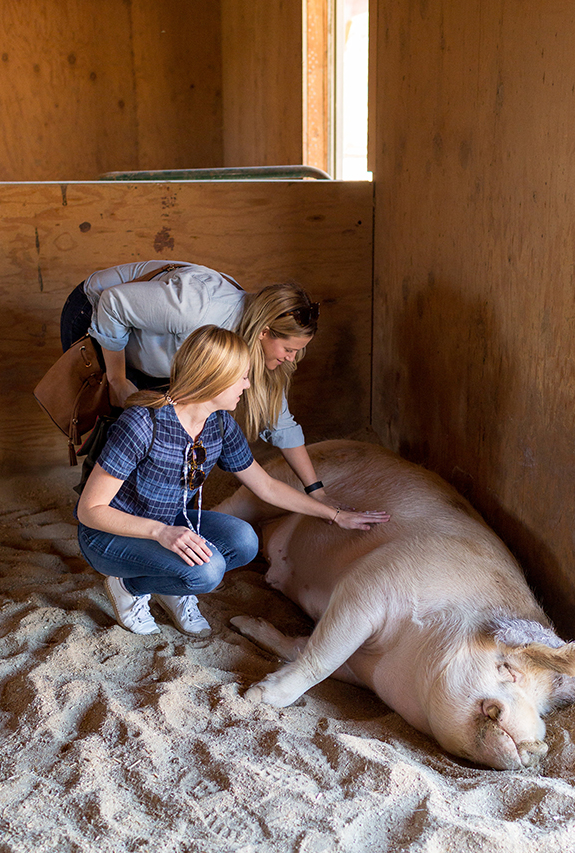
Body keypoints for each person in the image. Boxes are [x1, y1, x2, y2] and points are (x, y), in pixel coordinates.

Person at [76, 325, 389, 636]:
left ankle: (170, 583)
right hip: (109, 535)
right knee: (206, 572)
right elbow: (89, 510)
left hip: (171, 524)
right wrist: (161, 532)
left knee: (244, 541)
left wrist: (334, 514)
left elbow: (264, 486)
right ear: (215, 378)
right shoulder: (143, 423)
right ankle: (128, 585)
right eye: (242, 376)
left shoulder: (220, 424)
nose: (248, 385)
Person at [61, 259, 331, 503]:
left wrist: (316, 490)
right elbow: (113, 303)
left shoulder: (251, 345)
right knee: (129, 423)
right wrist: (117, 379)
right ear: (264, 332)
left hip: (162, 352)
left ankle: (144, 513)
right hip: (96, 313)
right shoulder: (199, 306)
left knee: (172, 422)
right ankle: (97, 514)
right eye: (289, 350)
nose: (292, 359)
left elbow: (279, 420)